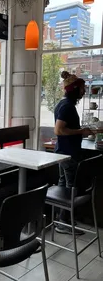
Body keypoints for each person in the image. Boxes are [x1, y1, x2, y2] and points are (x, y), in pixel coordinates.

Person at [54, 71, 93, 234]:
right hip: (67, 154)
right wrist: (81, 132)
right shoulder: (67, 106)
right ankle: (64, 223)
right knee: (71, 188)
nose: (84, 92)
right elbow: (58, 130)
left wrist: (81, 130)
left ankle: (60, 221)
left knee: (64, 186)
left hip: (64, 153)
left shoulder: (64, 104)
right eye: (82, 88)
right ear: (75, 89)